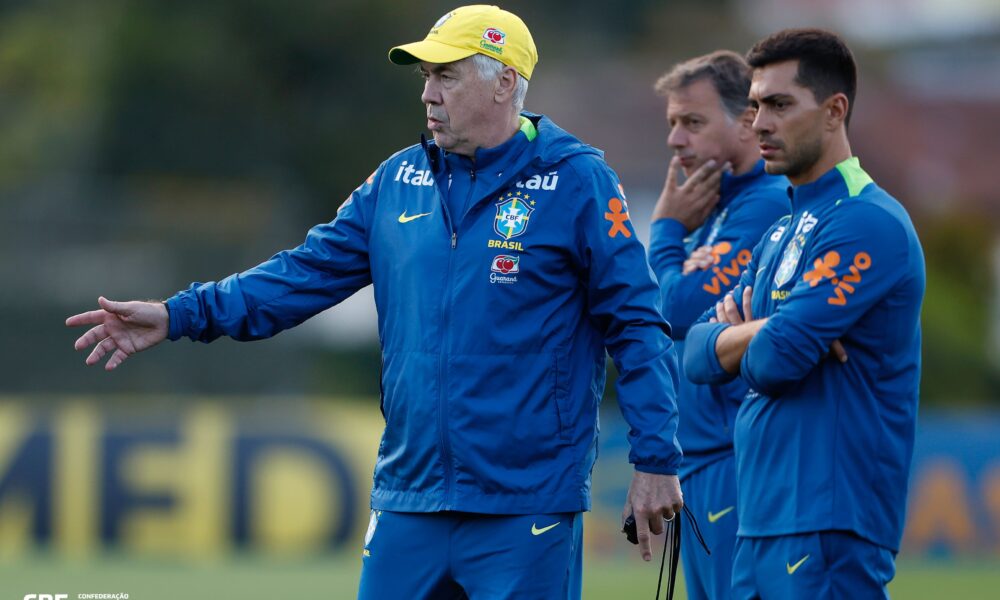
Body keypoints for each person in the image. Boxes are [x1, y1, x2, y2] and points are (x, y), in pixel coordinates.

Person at [66, 5, 684, 599]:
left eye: (446, 75)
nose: (428, 94)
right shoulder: (396, 180)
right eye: (425, 77)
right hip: (409, 499)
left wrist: (655, 458)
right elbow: (299, 276)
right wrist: (180, 314)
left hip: (525, 503)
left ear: (505, 85)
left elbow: (635, 323)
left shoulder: (577, 181)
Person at [683, 29, 925, 598]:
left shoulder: (870, 223)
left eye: (780, 105)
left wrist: (752, 334)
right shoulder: (780, 231)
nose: (759, 123)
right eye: (755, 106)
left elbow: (772, 363)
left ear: (834, 111)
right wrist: (772, 325)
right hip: (759, 519)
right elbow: (695, 352)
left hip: (828, 525)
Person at [646, 50, 789, 600]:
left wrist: (663, 228)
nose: (675, 140)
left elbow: (673, 311)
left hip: (732, 459)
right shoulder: (715, 210)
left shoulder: (765, 204)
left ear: (747, 120)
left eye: (693, 121)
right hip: (702, 460)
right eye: (672, 123)